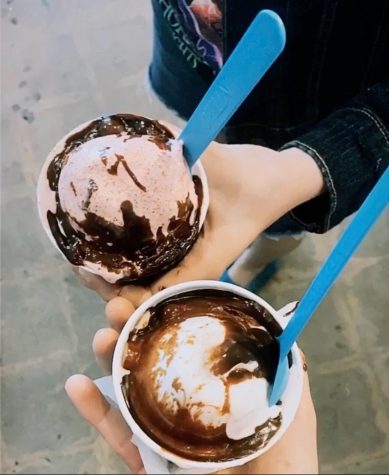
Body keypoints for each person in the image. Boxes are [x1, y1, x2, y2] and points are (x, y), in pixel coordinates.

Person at [66, 1, 389, 472]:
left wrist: (309, 166)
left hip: (316, 103)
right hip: (196, 60)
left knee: (279, 223)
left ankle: (268, 250)